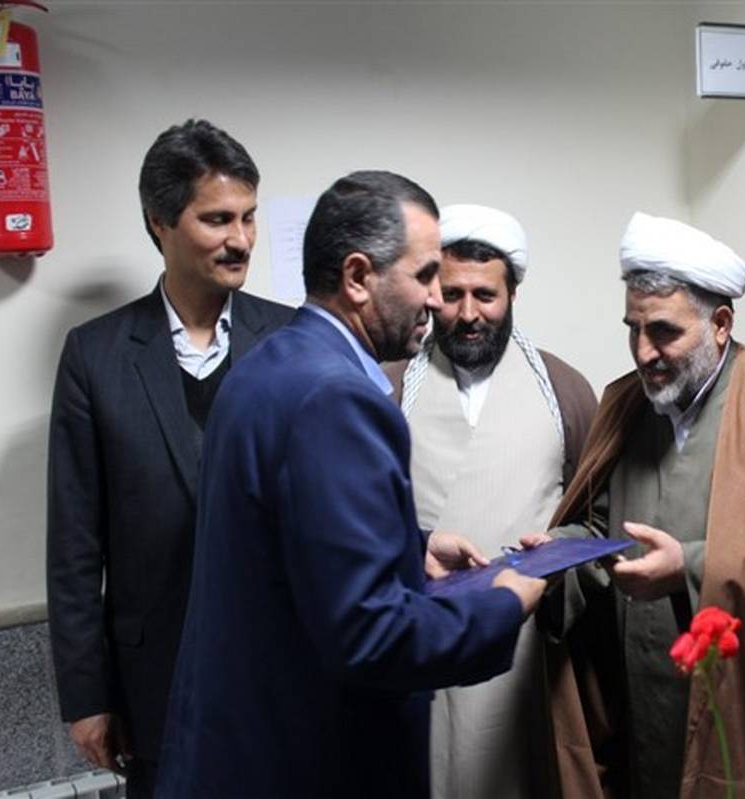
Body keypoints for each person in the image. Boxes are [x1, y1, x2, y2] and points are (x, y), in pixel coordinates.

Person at [156, 170, 547, 798]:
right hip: (310, 764)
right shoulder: (339, 399)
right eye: (425, 275)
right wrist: (502, 604)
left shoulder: (267, 365)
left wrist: (411, 545)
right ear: (359, 277)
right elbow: (371, 636)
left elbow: (286, 539)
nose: (438, 300)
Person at [537, 212, 745, 798]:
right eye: (633, 329)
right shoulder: (627, 404)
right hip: (643, 703)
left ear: (720, 324)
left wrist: (689, 567)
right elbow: (600, 521)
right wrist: (555, 553)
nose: (644, 352)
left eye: (664, 332)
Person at [45, 119, 293, 797]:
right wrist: (86, 695)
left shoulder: (291, 338)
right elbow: (74, 543)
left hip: (284, 673)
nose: (240, 239)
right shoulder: (95, 355)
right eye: (216, 219)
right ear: (159, 221)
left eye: (248, 216)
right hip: (155, 685)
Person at [383, 203, 596, 798]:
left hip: (530, 653)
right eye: (452, 295)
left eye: (486, 295)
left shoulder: (565, 390)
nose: (469, 313)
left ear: (513, 295)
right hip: (420, 643)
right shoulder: (388, 385)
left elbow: (591, 516)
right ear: (431, 293)